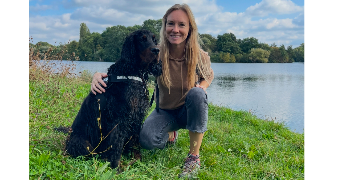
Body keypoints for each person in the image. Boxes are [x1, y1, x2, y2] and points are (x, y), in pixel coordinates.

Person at [91, 3, 214, 178]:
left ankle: (193, 156)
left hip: (188, 110)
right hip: (165, 112)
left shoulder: (199, 55)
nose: (175, 29)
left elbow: (209, 75)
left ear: (190, 28)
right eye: (170, 23)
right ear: (164, 26)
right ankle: (171, 132)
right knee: (147, 140)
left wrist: (202, 86)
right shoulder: (155, 52)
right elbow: (127, 67)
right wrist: (97, 75)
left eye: (181, 25)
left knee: (198, 94)